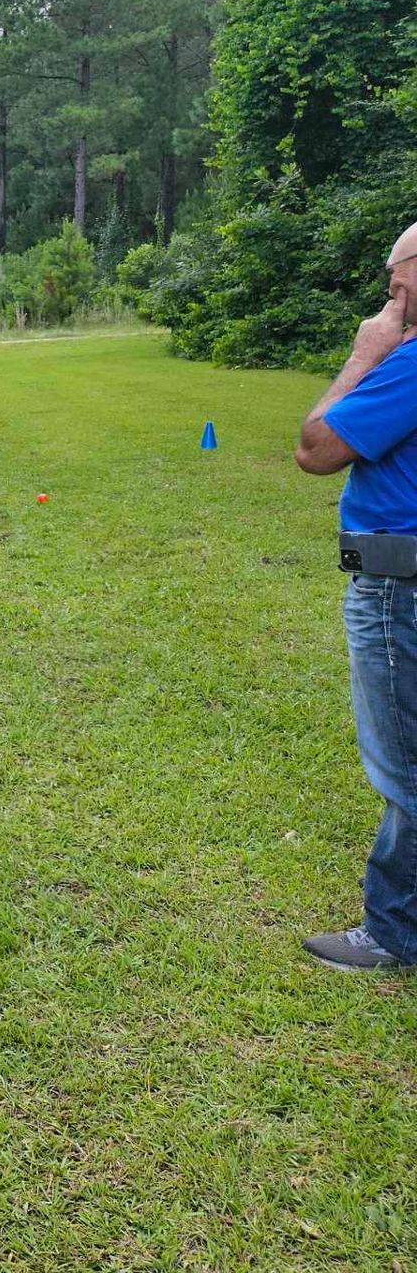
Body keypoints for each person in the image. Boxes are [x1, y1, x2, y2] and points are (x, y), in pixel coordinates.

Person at [293, 220, 417, 971]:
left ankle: (394, 931)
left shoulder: (407, 366)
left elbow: (316, 448)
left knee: (405, 766)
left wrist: (365, 355)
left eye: (399, 279)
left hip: (397, 587)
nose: (390, 296)